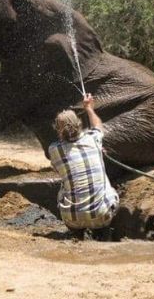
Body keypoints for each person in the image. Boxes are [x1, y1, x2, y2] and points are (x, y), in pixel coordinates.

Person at [47, 93, 119, 239]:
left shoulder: (54, 149)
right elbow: (98, 125)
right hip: (101, 214)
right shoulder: (93, 139)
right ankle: (102, 233)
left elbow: (57, 169)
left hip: (71, 217)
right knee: (110, 192)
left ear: (58, 130)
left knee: (64, 187)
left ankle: (77, 235)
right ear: (79, 123)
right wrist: (89, 108)